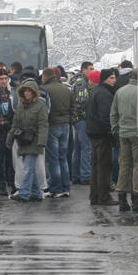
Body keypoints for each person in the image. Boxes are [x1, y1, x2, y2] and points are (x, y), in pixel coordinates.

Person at [7, 79, 48, 202]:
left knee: (28, 167)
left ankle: (24, 193)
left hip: (35, 140)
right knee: (30, 168)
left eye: (30, 91)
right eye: (25, 91)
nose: (27, 93)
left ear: (34, 92)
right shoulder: (20, 105)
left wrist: (42, 141)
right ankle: (37, 193)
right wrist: (10, 138)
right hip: (23, 140)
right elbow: (15, 124)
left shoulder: (40, 105)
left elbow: (43, 124)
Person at [86, 68, 118, 205]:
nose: (114, 80)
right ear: (105, 79)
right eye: (111, 78)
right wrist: (112, 135)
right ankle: (104, 196)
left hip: (93, 133)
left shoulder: (95, 92)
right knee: (104, 166)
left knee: (96, 166)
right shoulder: (105, 94)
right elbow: (105, 117)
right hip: (102, 134)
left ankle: (95, 195)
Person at [111, 68, 138, 212]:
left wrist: (116, 130)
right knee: (137, 166)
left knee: (124, 165)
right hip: (137, 134)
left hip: (123, 133)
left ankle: (122, 197)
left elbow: (113, 114)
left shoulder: (120, 92)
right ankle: (136, 198)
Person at [40, 66, 73, 198]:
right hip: (65, 125)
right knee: (63, 157)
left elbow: (44, 110)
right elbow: (73, 107)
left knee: (53, 159)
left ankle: (56, 188)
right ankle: (66, 187)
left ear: (44, 77)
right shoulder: (66, 89)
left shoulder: (45, 90)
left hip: (52, 126)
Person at [69, 61, 94, 184]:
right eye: (90, 68)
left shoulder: (75, 81)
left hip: (76, 120)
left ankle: (76, 175)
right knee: (86, 148)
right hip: (82, 120)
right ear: (83, 70)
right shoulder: (82, 83)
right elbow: (81, 102)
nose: (92, 70)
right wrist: (85, 116)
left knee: (78, 148)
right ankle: (85, 175)